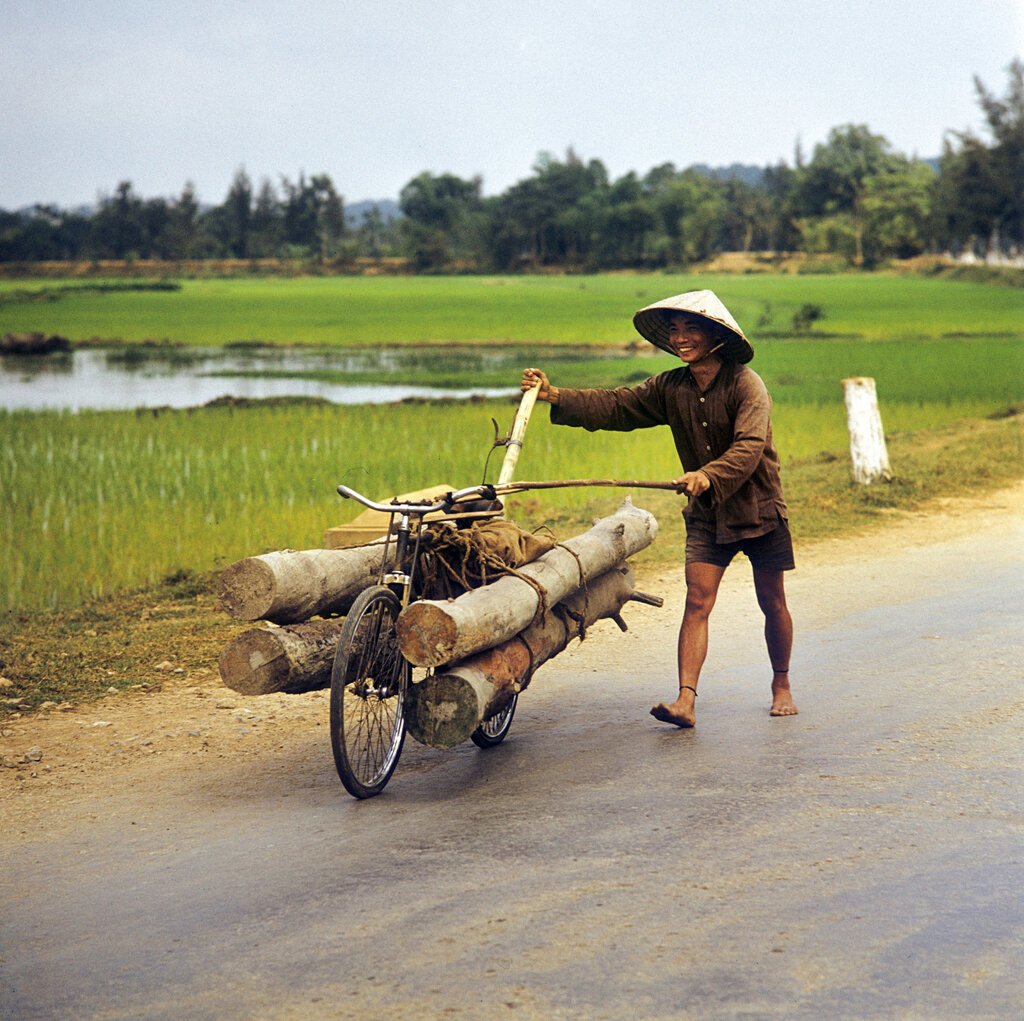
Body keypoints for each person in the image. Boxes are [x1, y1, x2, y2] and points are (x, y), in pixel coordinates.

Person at [521, 289, 798, 727]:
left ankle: (781, 682)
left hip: (758, 510)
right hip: (708, 514)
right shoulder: (671, 387)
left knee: (772, 601)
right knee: (698, 601)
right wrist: (556, 396)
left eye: (692, 329)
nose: (682, 338)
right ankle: (685, 701)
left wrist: (707, 475)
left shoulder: (747, 385)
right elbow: (618, 405)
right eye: (675, 330)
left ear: (716, 337)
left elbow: (748, 447)